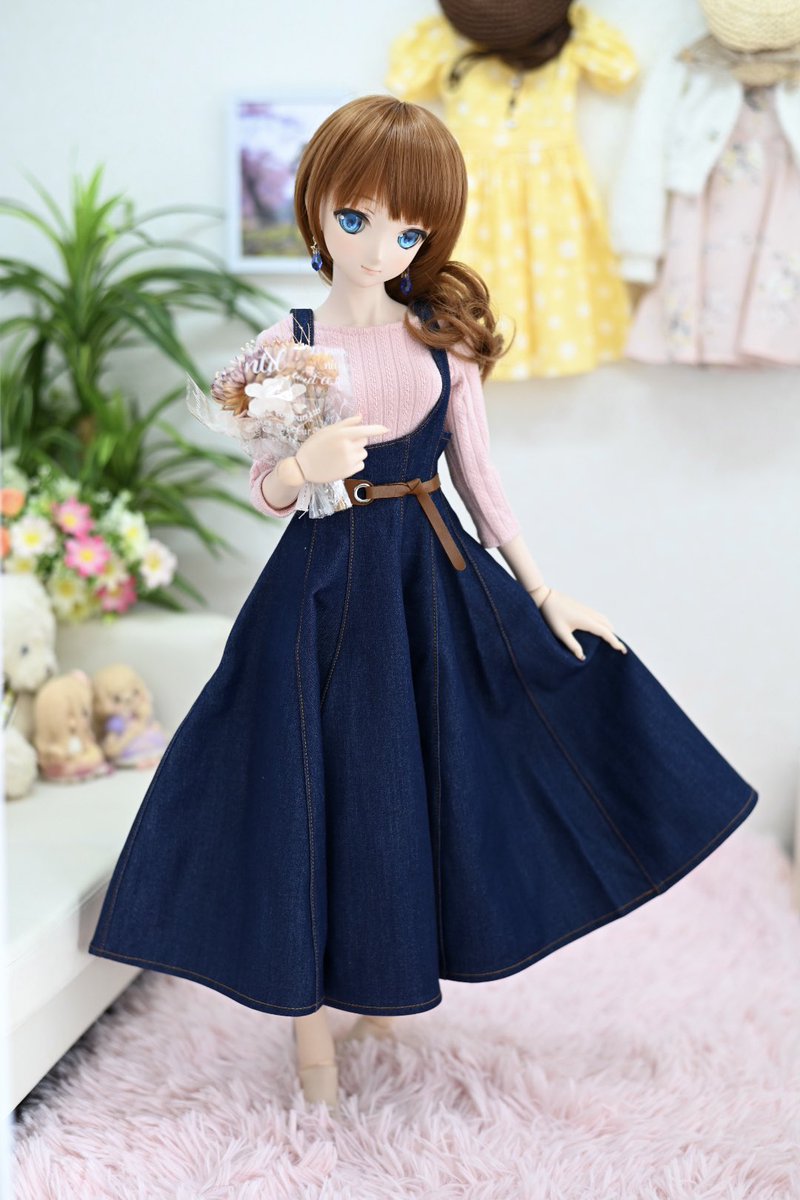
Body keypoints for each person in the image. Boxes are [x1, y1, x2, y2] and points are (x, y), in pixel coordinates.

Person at [88, 95, 758, 1116]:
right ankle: (311, 1040)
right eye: (356, 219)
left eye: (406, 232)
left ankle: (386, 984)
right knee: (308, 795)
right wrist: (304, 465)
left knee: (418, 788)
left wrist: (542, 590)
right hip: (319, 592)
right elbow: (267, 487)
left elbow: (480, 478)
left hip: (428, 583)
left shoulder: (439, 339)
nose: (377, 248)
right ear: (317, 209)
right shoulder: (287, 340)